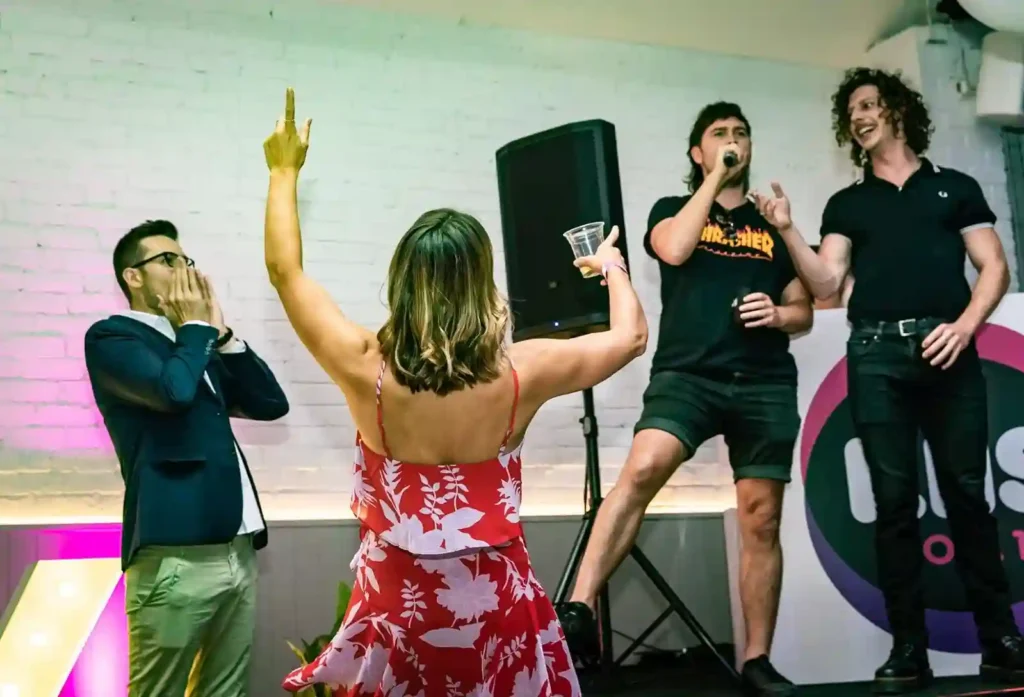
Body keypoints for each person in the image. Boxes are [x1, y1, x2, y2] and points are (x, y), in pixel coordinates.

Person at [263, 88, 647, 697]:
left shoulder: (368, 370)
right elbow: (629, 339)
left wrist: (284, 171)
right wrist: (611, 268)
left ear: (401, 280)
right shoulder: (523, 374)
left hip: (399, 612)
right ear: (481, 283)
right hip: (495, 609)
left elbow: (286, 273)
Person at [762, 67, 1024, 693]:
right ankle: (908, 648)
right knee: (894, 506)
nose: (858, 115)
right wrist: (786, 228)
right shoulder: (848, 203)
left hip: (947, 351)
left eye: (869, 104)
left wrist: (963, 328)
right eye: (851, 110)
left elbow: (994, 267)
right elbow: (826, 283)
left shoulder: (954, 188)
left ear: (898, 111)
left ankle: (1000, 640)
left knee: (967, 495)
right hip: (875, 354)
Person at [556, 101, 812, 697]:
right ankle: (577, 610)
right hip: (688, 376)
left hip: (765, 381)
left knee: (761, 516)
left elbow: (804, 307)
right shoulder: (672, 209)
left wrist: (780, 313)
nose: (733, 141)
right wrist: (714, 182)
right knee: (642, 468)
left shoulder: (773, 222)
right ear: (698, 152)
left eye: (741, 134)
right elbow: (672, 250)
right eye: (719, 135)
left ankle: (757, 659)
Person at [83, 220, 290, 696]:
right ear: (133, 276)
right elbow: (172, 392)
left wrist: (223, 335)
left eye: (186, 259)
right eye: (168, 260)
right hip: (174, 560)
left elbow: (269, 403)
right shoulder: (113, 339)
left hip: (237, 551)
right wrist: (195, 329)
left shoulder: (195, 345)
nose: (185, 270)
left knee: (225, 691)